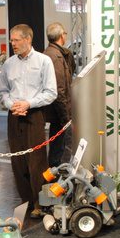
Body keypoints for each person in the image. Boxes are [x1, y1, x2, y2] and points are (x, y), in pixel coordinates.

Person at [0, 24, 56, 218]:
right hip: (14, 116)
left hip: (34, 115)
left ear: (28, 39)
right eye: (11, 40)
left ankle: (40, 203)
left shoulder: (44, 61)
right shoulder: (8, 64)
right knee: (18, 161)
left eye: (16, 40)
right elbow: (3, 92)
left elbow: (51, 92)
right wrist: (11, 105)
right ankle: (26, 201)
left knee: (37, 161)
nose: (12, 44)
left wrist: (28, 104)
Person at [44, 22, 74, 167]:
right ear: (62, 35)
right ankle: (56, 176)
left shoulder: (55, 53)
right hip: (58, 113)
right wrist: (65, 117)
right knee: (59, 150)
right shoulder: (55, 56)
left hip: (56, 112)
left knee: (58, 147)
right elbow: (59, 90)